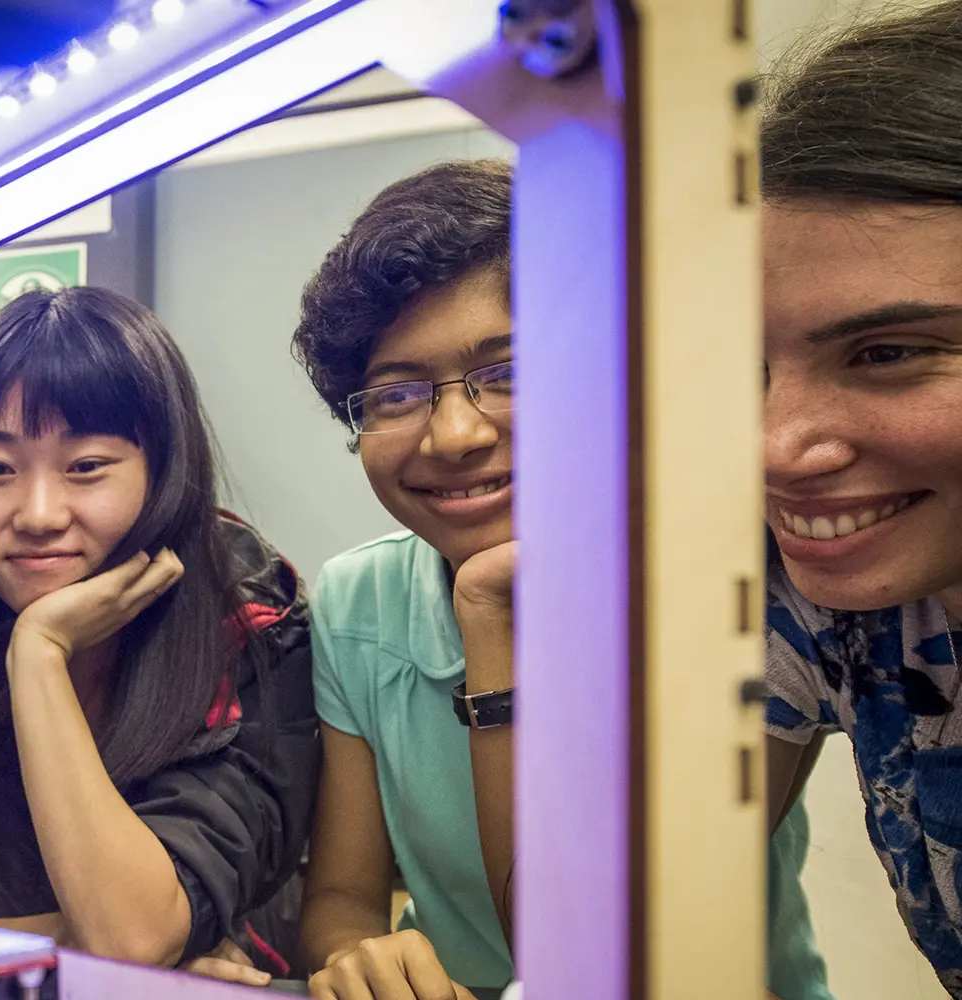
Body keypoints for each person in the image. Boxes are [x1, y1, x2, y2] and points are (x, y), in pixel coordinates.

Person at [290, 160, 831, 1000]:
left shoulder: (732, 586)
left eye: (509, 373)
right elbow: (341, 895)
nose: (455, 433)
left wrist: (490, 614)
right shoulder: (358, 602)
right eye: (395, 395)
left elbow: (610, 950)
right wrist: (358, 958)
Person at [0, 286, 319, 974]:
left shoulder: (249, 616)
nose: (38, 513)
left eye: (85, 467)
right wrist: (73, 942)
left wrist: (39, 654)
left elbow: (132, 933)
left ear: (163, 470)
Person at [756, 3, 962, 992]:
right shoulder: (834, 604)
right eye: (743, 366)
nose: (773, 447)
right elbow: (595, 910)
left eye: (886, 352)